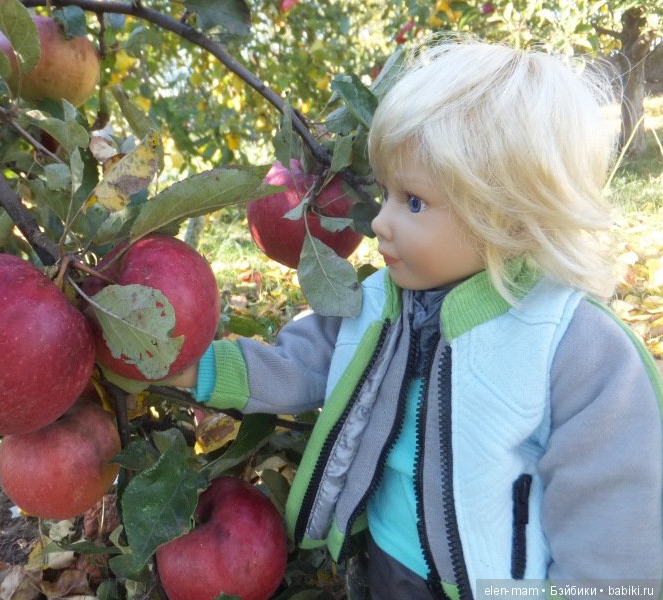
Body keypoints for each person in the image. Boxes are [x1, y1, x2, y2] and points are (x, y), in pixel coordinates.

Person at [169, 39, 663, 599]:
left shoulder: (578, 350)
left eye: (414, 202)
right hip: (385, 560)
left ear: (506, 216)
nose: (379, 221)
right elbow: (302, 361)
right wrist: (197, 366)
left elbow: (612, 523)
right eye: (385, 193)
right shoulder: (379, 299)